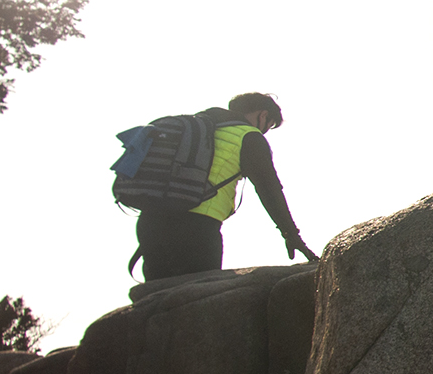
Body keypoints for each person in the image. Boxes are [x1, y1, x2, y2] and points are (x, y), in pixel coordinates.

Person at [135, 92, 318, 280]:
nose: (264, 132)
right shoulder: (248, 136)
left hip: (150, 222)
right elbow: (269, 190)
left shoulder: (195, 129)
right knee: (198, 293)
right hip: (197, 227)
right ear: (263, 115)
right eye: (269, 126)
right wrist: (291, 235)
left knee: (157, 293)